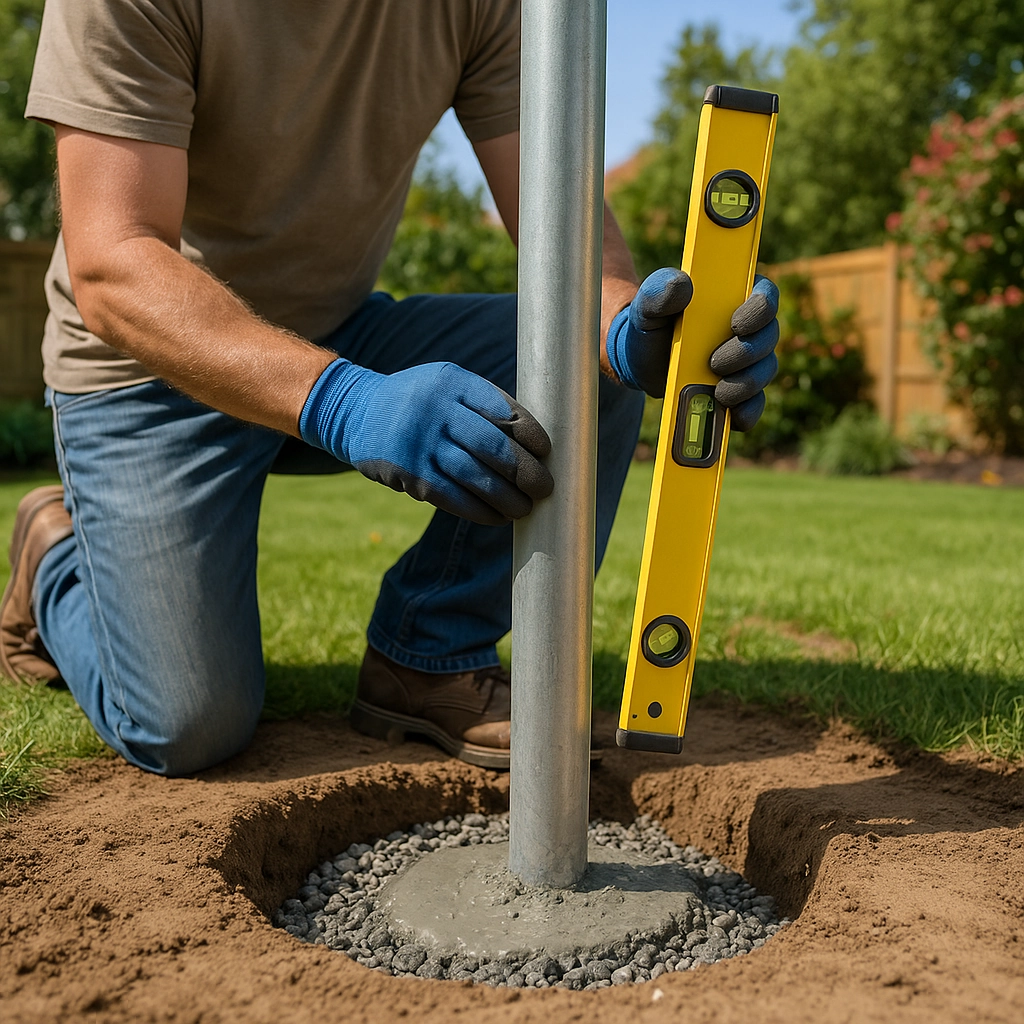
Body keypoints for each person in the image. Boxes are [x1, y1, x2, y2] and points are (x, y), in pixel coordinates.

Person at [0, 0, 780, 776]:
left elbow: (560, 225)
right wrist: (344, 401)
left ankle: (428, 652)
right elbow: (112, 265)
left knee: (581, 358)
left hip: (338, 329)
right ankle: (54, 557)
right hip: (148, 369)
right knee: (185, 723)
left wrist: (624, 332)